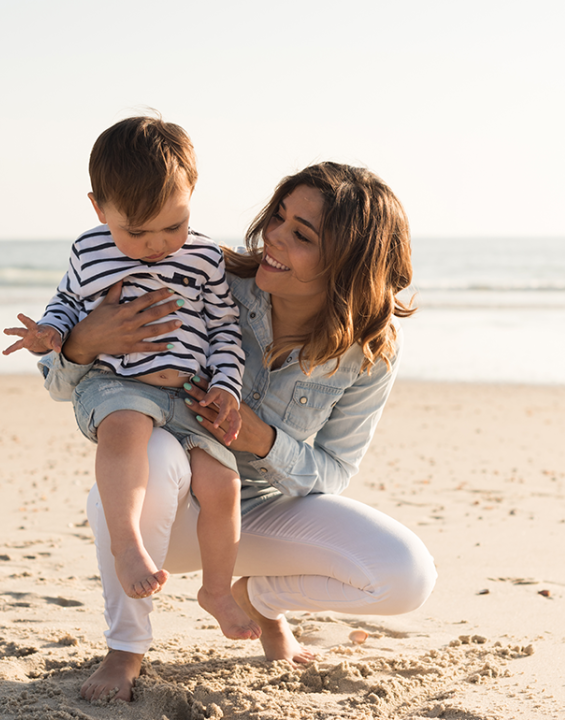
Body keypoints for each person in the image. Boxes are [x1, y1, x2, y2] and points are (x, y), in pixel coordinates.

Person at [39, 161, 438, 703]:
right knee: (157, 452)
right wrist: (84, 341)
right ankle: (126, 647)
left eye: (300, 234)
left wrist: (263, 440)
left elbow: (334, 471)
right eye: (278, 216)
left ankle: (259, 599)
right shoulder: (204, 271)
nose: (272, 235)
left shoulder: (369, 352)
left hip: (251, 515)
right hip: (160, 508)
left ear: (347, 262)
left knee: (406, 575)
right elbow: (66, 385)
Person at [3, 115, 260, 642]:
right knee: (125, 430)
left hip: (186, 395)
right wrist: (51, 334)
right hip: (118, 382)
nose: (156, 244)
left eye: (174, 225)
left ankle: (216, 589)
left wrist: (225, 387)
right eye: (135, 231)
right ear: (99, 209)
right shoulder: (89, 250)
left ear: (192, 194)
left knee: (223, 483)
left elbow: (224, 329)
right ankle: (125, 543)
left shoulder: (207, 257)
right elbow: (69, 303)